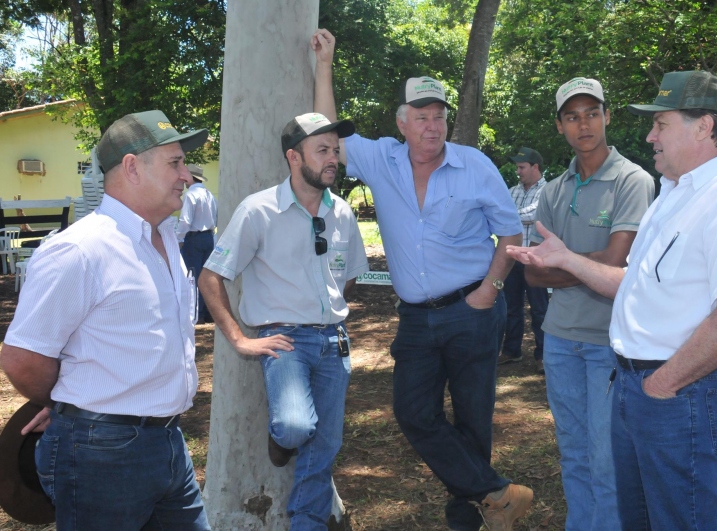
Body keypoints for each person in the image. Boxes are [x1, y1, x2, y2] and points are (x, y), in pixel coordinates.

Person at [508, 70, 717, 530]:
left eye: (661, 123)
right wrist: (569, 261)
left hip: (679, 392)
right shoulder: (672, 196)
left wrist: (660, 385)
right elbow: (634, 283)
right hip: (636, 384)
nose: (648, 134)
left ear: (704, 127)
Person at [312, 29, 532, 531]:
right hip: (415, 318)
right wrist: (325, 64)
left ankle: (471, 520)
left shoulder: (474, 166)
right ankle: (496, 493)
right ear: (402, 123)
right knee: (413, 413)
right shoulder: (381, 160)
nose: (432, 128)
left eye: (439, 118)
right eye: (422, 118)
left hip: (473, 309)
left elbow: (511, 231)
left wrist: (489, 291)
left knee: (474, 420)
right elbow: (330, 133)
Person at [0, 110, 211, 530]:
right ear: (132, 167)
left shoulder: (167, 236)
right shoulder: (80, 251)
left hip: (169, 442)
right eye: (175, 163)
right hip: (101, 452)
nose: (186, 176)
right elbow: (23, 359)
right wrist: (65, 405)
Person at [198, 112, 368, 530]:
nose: (333, 158)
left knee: (325, 446)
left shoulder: (342, 212)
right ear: (294, 157)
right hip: (284, 339)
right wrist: (240, 340)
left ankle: (306, 523)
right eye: (322, 150)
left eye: (335, 150)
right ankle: (281, 439)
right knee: (295, 427)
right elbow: (210, 276)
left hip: (335, 342)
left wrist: (327, 315)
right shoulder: (259, 211)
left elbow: (348, 276)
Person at [523, 78, 654, 530]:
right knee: (573, 454)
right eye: (573, 116)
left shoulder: (634, 179)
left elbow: (617, 262)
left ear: (607, 117)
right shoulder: (555, 189)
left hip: (609, 341)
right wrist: (581, 266)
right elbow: (532, 272)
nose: (585, 124)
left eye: (592, 113)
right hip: (559, 337)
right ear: (560, 126)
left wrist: (563, 263)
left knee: (606, 459)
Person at [498, 147, 549, 372]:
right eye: (517, 167)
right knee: (511, 306)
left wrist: (509, 217)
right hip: (511, 258)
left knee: (539, 308)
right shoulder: (512, 191)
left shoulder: (548, 191)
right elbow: (501, 214)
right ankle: (511, 351)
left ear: (535, 167)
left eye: (521, 167)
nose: (517, 171)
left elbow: (535, 214)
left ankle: (543, 354)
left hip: (535, 258)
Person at [176, 163, 218, 324]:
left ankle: (196, 313)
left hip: (193, 238)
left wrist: (179, 239)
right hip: (208, 237)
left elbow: (185, 220)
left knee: (192, 276)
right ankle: (207, 312)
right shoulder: (209, 195)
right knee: (206, 277)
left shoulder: (190, 195)